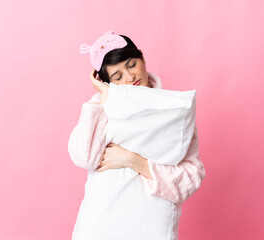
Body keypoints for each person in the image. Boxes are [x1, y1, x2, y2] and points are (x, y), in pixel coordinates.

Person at [68, 31, 206, 240]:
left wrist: (134, 161)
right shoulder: (101, 107)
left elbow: (190, 178)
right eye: (117, 76)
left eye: (132, 64)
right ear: (108, 82)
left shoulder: (175, 110)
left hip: (152, 225)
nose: (130, 77)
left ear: (142, 58)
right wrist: (105, 98)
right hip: (101, 224)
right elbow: (84, 157)